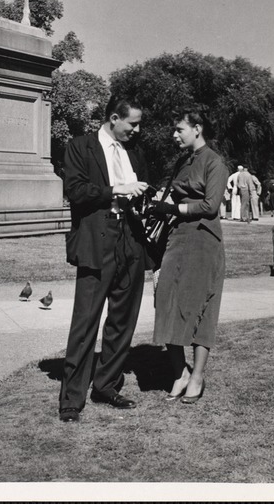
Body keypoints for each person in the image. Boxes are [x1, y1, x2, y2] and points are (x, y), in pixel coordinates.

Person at [58, 95, 152, 423]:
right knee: (86, 321)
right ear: (114, 118)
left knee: (122, 320)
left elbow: (137, 192)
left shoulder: (134, 152)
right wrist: (117, 190)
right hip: (98, 240)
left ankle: (106, 385)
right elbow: (77, 190)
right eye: (133, 123)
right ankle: (71, 399)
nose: (137, 130)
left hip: (131, 240)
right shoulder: (80, 147)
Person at [147, 108, 229, 404]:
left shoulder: (215, 162)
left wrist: (174, 209)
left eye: (179, 129)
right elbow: (175, 193)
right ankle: (179, 371)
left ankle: (196, 377)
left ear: (197, 128)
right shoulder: (184, 160)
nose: (174, 134)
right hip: (177, 236)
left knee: (199, 307)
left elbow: (210, 205)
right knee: (166, 298)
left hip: (203, 239)